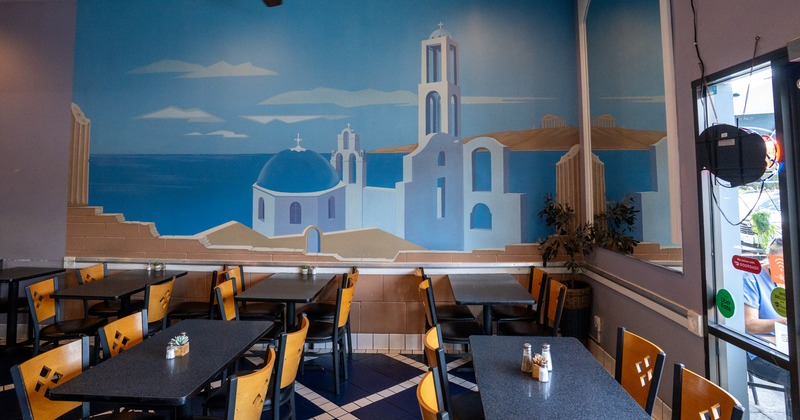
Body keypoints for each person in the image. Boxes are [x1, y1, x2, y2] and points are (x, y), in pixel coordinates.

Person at [743, 237, 792, 414]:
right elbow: (750, 325)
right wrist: (783, 322)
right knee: (795, 374)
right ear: (770, 258)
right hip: (759, 350)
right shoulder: (752, 278)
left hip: (786, 344)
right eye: (781, 263)